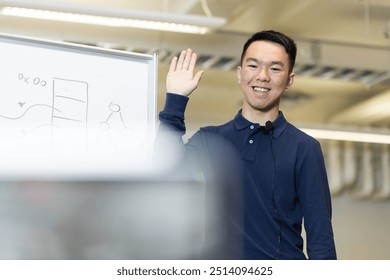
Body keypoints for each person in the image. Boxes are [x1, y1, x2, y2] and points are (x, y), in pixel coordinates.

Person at [156, 30, 337, 260]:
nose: (262, 76)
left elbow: (320, 236)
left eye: (275, 68)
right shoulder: (210, 140)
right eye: (253, 66)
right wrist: (175, 100)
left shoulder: (304, 148)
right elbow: (162, 172)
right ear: (240, 74)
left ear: (289, 79)